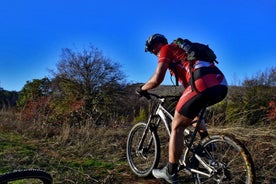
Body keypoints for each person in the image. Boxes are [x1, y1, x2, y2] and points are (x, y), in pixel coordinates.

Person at [136, 33, 228, 184]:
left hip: (201, 82)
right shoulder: (184, 56)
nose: (153, 53)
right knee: (193, 110)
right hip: (220, 83)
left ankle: (170, 171)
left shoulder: (166, 49)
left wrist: (142, 89)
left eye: (152, 49)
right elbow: (190, 89)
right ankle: (207, 144)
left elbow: (157, 78)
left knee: (176, 126)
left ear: (156, 45)